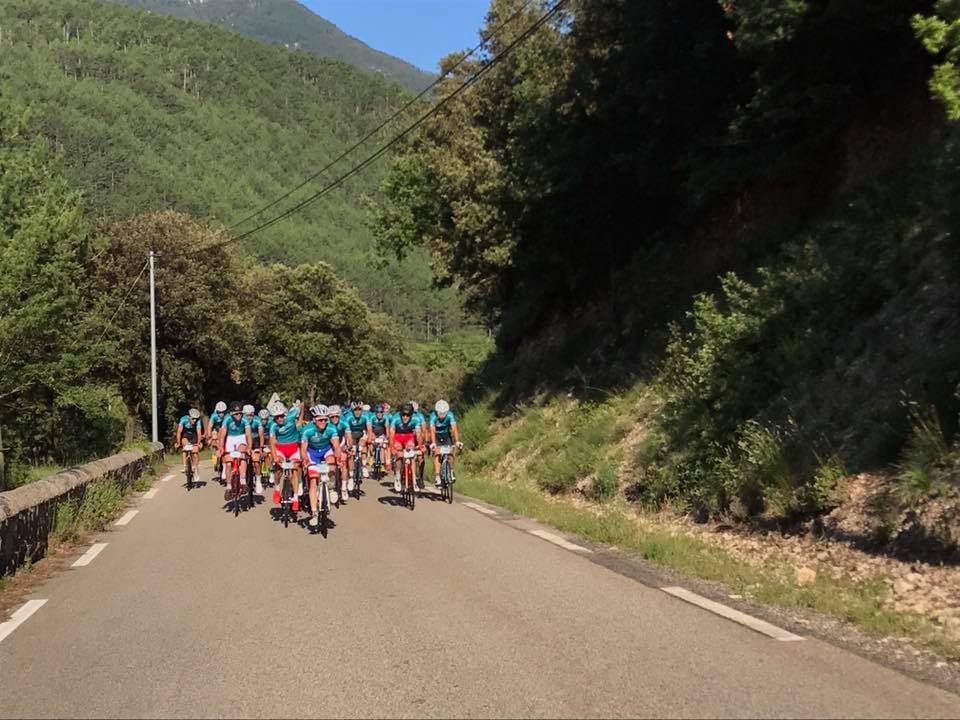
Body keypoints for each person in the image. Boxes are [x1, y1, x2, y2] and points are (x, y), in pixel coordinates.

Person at [299, 405, 342, 527]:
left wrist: (338, 457)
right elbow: (303, 449)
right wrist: (306, 460)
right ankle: (314, 513)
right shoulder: (307, 430)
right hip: (312, 453)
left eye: (325, 420)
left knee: (332, 463)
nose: (323, 422)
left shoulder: (331, 429)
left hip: (326, 451)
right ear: (314, 420)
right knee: (313, 481)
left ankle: (332, 488)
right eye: (320, 420)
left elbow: (336, 446)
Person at [270, 400, 304, 511]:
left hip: (293, 448)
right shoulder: (273, 426)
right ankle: (276, 488)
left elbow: (301, 407)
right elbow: (272, 442)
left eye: (281, 416)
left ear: (285, 414)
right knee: (278, 468)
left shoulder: (292, 415)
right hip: (280, 448)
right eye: (276, 417)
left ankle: (295, 498)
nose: (279, 419)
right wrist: (275, 456)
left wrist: (302, 409)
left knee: (295, 469)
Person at [219, 401, 253, 500]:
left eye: (240, 413)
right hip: (230, 438)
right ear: (231, 414)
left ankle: (242, 481)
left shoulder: (245, 420)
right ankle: (229, 486)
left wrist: (249, 447)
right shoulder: (227, 420)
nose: (239, 415)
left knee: (242, 456)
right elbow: (223, 435)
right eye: (236, 414)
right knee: (229, 463)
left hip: (241, 438)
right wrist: (221, 446)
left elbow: (248, 435)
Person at [389, 402, 423, 493]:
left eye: (408, 415)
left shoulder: (416, 419)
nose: (405, 417)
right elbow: (391, 435)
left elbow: (419, 435)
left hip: (409, 436)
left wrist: (420, 446)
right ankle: (398, 476)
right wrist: (392, 448)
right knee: (399, 455)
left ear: (411, 415)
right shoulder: (395, 418)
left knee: (411, 455)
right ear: (400, 414)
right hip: (397, 437)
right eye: (403, 414)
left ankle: (414, 480)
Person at [430, 400, 462, 487]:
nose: (442, 415)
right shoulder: (433, 416)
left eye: (444, 413)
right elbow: (432, 430)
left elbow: (454, 429)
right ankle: (437, 476)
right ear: (437, 411)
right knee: (437, 453)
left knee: (451, 452)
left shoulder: (450, 415)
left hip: (446, 435)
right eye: (440, 413)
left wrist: (457, 441)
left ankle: (451, 470)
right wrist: (433, 443)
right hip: (436, 436)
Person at [344, 400, 372, 494]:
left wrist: (370, 439)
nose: (357, 411)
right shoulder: (348, 417)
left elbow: (369, 429)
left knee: (363, 444)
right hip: (351, 434)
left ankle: (364, 466)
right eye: (355, 409)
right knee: (351, 452)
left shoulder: (365, 416)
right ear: (352, 410)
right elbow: (347, 433)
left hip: (361, 434)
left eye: (359, 409)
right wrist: (350, 445)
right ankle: (351, 477)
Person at [327, 405, 350, 503]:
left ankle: (344, 487)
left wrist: (348, 446)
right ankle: (330, 485)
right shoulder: (326, 424)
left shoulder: (344, 422)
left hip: (341, 442)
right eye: (332, 417)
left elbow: (348, 436)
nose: (335, 418)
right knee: (329, 465)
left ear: (340, 416)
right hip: (328, 444)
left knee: (344, 462)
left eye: (337, 416)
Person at [243, 404, 265, 495]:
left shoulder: (257, 420)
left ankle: (258, 480)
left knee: (256, 461)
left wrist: (261, 448)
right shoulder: (242, 421)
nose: (249, 417)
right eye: (247, 415)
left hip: (255, 440)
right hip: (244, 440)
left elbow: (261, 435)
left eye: (251, 415)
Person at [175, 408, 204, 476]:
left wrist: (199, 443)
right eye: (193, 418)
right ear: (189, 417)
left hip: (194, 435)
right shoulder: (183, 419)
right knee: (184, 448)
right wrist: (178, 442)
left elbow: (199, 433)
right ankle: (185, 466)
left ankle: (195, 467)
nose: (194, 420)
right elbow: (179, 432)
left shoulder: (198, 421)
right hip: (185, 435)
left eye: (196, 419)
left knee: (195, 452)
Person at [369, 403, 391, 475]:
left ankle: (382, 464)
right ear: (375, 412)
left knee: (382, 447)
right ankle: (371, 456)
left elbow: (387, 428)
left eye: (381, 412)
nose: (379, 414)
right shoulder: (372, 417)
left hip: (381, 434)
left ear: (383, 412)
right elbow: (369, 429)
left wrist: (386, 438)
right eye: (377, 412)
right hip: (373, 433)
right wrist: (371, 437)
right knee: (371, 444)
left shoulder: (385, 418)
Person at [208, 400, 227, 475]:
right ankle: (214, 456)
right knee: (215, 441)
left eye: (223, 412)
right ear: (217, 411)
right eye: (219, 412)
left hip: (223, 429)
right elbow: (209, 426)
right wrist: (210, 436)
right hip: (215, 430)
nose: (221, 414)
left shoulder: (227, 415)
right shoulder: (214, 416)